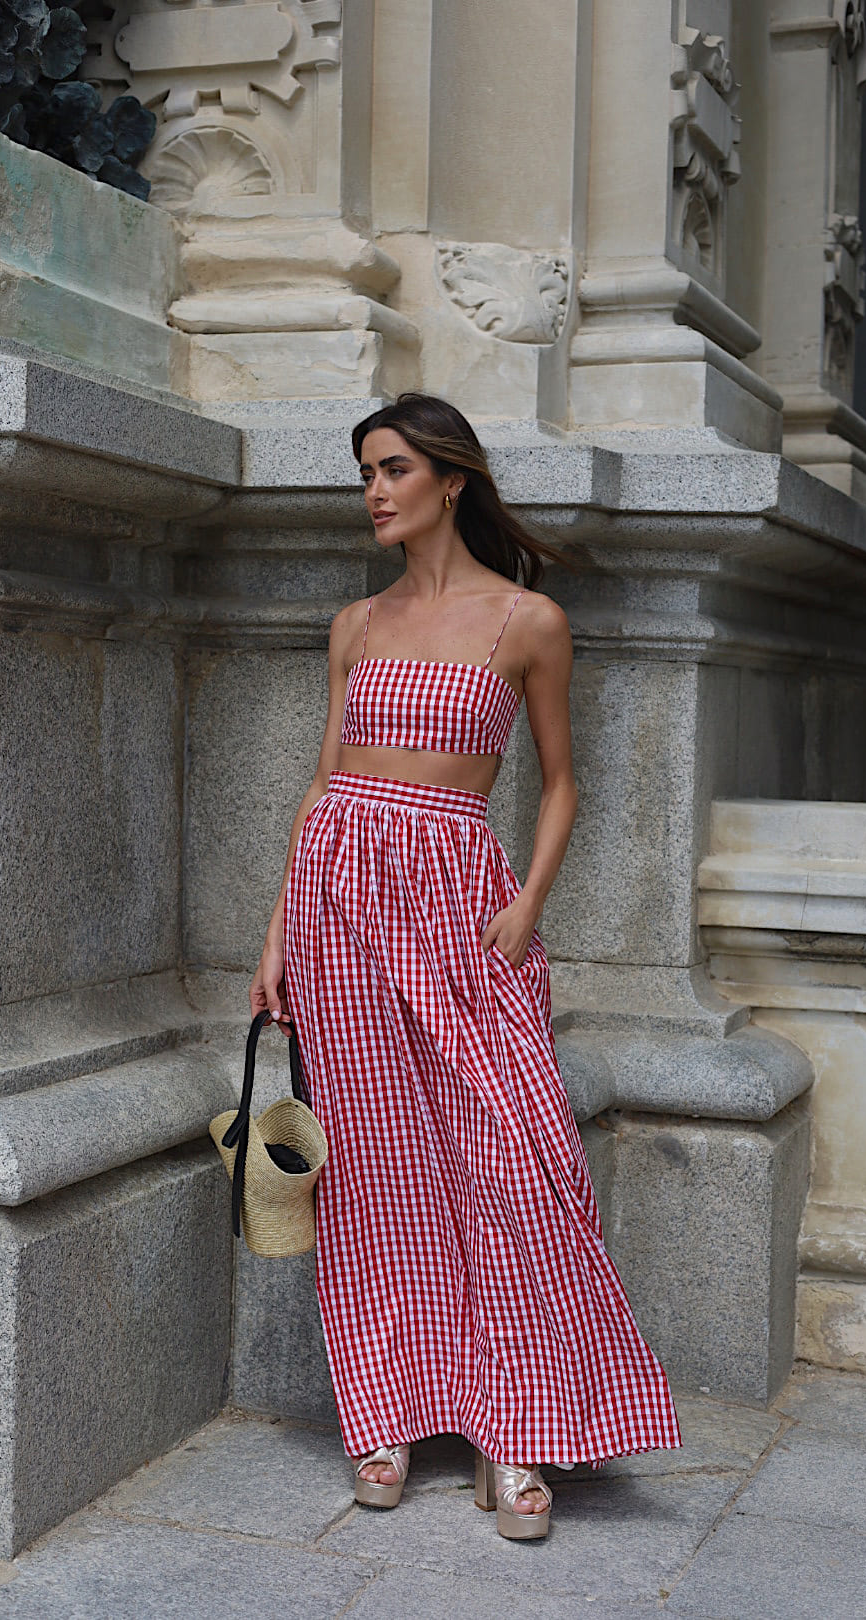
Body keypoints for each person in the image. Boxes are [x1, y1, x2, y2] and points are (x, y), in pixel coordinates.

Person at [249, 393, 680, 1541]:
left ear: (451, 477)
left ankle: (518, 1423)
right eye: (364, 475)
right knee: (378, 1170)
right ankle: (384, 1412)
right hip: (339, 909)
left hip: (459, 912)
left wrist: (528, 908)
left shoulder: (527, 621)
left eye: (392, 469)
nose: (374, 492)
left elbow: (562, 783)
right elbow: (322, 782)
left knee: (511, 1157)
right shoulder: (357, 623)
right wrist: (279, 932)